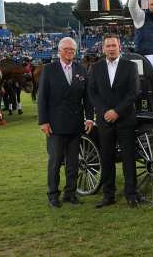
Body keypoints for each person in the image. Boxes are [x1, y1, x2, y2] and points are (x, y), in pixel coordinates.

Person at [37, 37, 94, 208]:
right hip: (55, 125)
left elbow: (87, 97)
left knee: (73, 163)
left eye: (72, 49)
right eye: (66, 49)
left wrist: (89, 117)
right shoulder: (49, 70)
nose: (70, 52)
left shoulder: (81, 69)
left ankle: (70, 193)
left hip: (75, 124)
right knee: (55, 162)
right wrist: (43, 121)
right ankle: (53, 195)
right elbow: (42, 98)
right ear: (59, 51)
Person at [88, 34, 140, 208]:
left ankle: (131, 194)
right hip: (104, 120)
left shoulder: (130, 66)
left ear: (120, 47)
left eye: (114, 46)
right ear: (103, 48)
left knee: (128, 158)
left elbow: (134, 93)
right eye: (108, 46)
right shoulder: (95, 68)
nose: (111, 49)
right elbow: (92, 93)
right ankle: (108, 195)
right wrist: (105, 112)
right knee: (107, 158)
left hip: (125, 119)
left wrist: (117, 111)